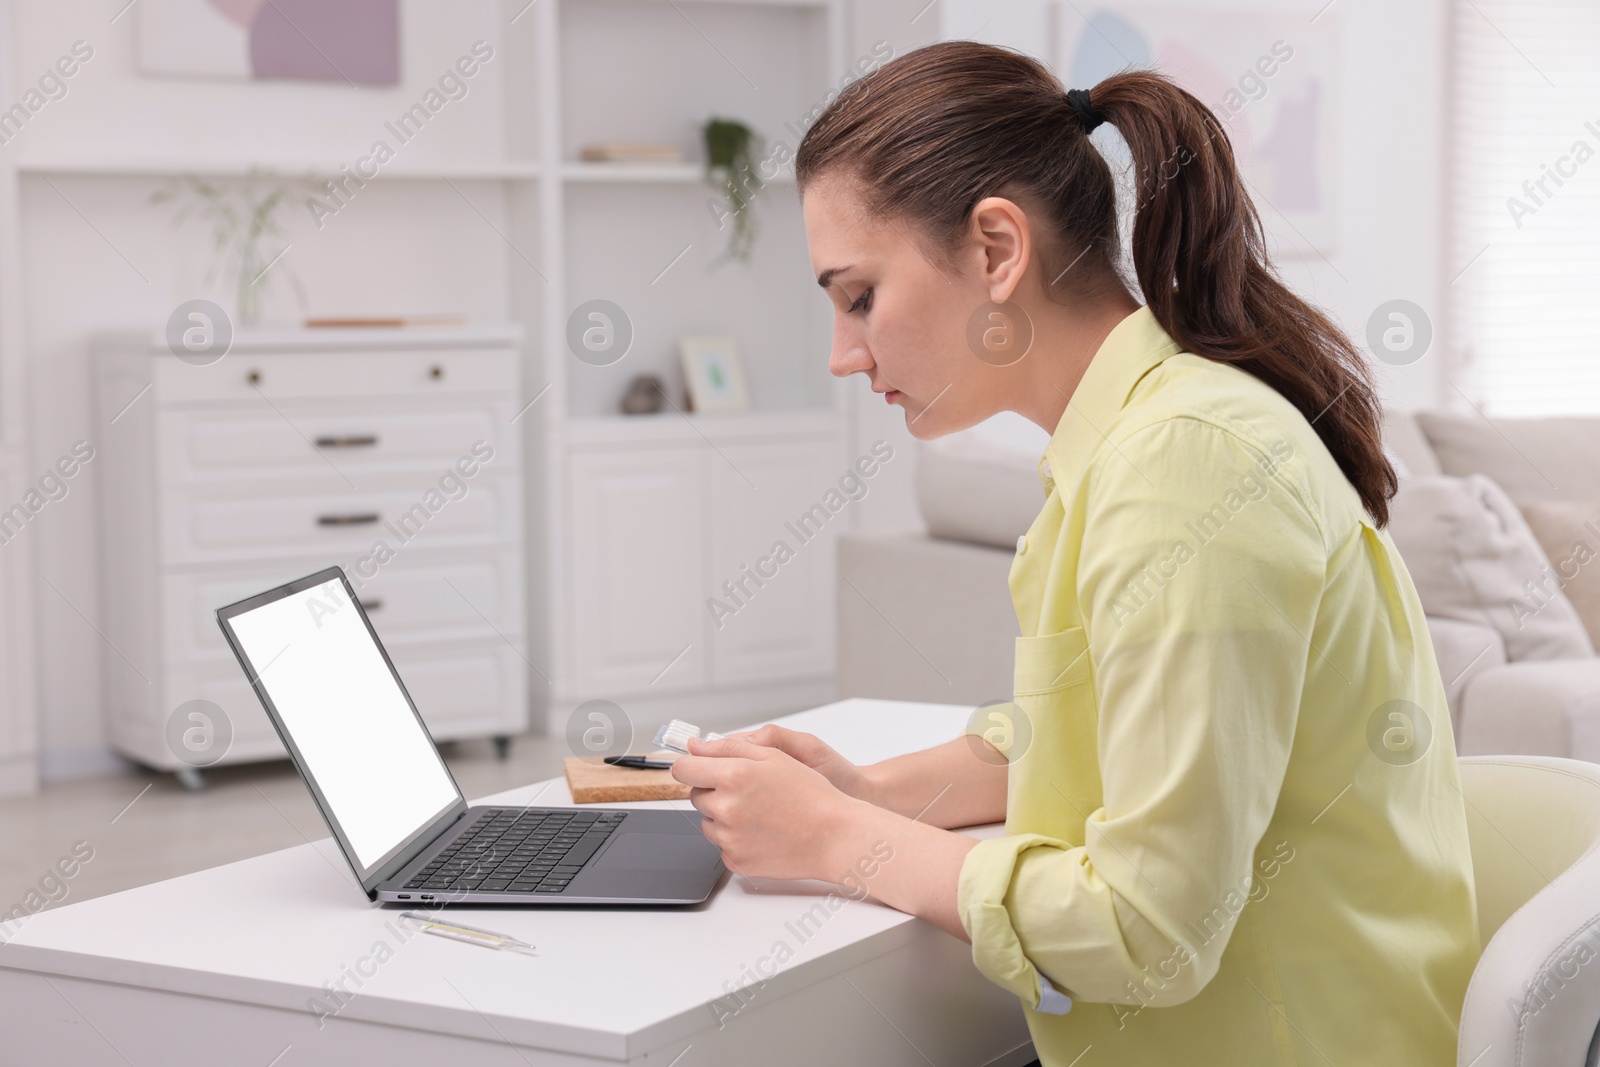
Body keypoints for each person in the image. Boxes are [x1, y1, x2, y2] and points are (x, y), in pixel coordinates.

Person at [670, 41, 1479, 1065]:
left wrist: (839, 841)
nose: (844, 352)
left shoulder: (1184, 464)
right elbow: (1089, 727)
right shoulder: (1126, 444)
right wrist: (867, 791)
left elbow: (1150, 930)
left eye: (859, 294)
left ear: (996, 248)